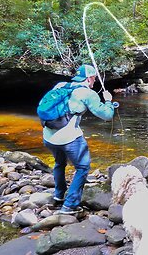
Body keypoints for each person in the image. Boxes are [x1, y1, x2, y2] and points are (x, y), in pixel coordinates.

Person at [43, 64, 114, 214]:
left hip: (48, 136)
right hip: (68, 138)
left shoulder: (60, 85)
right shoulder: (88, 93)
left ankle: (58, 195)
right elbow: (107, 115)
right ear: (89, 78)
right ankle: (70, 205)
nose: (94, 81)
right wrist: (108, 101)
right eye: (94, 78)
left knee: (59, 163)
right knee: (82, 167)